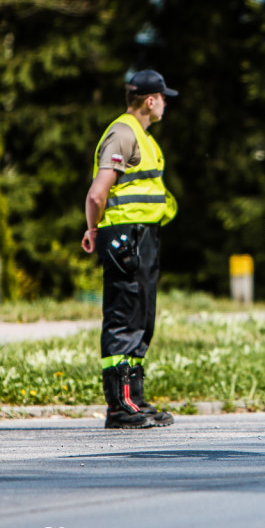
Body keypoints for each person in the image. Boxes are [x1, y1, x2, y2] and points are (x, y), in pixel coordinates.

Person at [81, 69, 178, 429]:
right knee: (124, 316)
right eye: (163, 97)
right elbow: (97, 192)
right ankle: (120, 406)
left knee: (142, 317)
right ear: (150, 100)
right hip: (124, 237)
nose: (165, 103)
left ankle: (134, 400)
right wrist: (93, 229)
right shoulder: (123, 133)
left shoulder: (142, 136)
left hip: (142, 236)